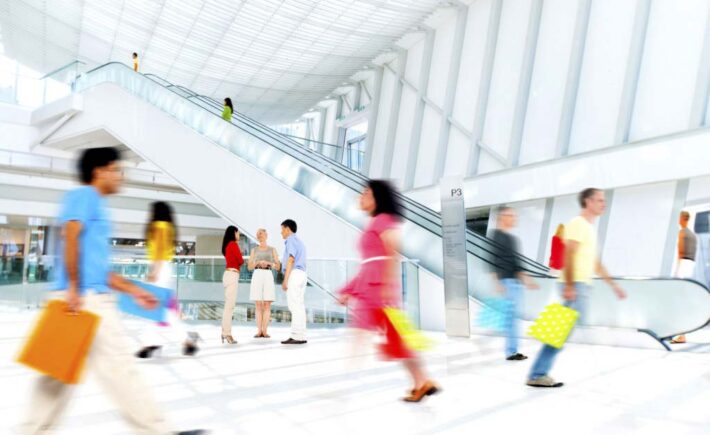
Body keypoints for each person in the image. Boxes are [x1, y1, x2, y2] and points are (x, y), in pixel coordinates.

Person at [19, 147, 203, 435]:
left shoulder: (95, 205)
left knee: (57, 378)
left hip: (82, 296)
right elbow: (70, 235)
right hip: (84, 300)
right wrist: (76, 289)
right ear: (99, 171)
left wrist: (133, 290)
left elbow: (98, 268)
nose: (121, 176)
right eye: (116, 169)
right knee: (116, 370)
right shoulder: (84, 197)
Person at [338, 180, 439, 402]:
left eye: (366, 193)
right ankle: (422, 381)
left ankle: (342, 385)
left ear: (377, 198)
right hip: (373, 287)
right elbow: (370, 264)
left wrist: (386, 285)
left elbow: (393, 250)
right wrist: (349, 290)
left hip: (376, 290)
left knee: (360, 334)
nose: (360, 196)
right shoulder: (376, 221)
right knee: (397, 339)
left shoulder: (381, 220)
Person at [526, 188, 626, 388]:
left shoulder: (588, 228)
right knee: (561, 330)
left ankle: (538, 372)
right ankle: (537, 374)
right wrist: (570, 285)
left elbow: (595, 263)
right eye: (599, 200)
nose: (603, 204)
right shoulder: (577, 224)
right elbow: (568, 255)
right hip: (575, 285)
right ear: (588, 202)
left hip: (580, 285)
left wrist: (613, 285)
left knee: (560, 329)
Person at [135, 201, 199, 359]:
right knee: (160, 309)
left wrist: (154, 272)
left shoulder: (158, 226)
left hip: (159, 268)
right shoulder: (168, 227)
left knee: (153, 307)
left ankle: (153, 343)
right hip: (165, 268)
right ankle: (160, 342)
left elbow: (159, 251)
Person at [491, 206, 539, 361]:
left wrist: (528, 281)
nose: (514, 218)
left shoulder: (512, 239)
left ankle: (513, 350)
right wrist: (496, 282)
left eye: (514, 215)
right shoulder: (495, 236)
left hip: (516, 283)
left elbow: (517, 264)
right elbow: (492, 260)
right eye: (510, 215)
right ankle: (511, 352)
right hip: (506, 282)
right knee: (510, 318)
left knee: (514, 318)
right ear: (501, 217)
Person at [248, 228, 280, 338]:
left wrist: (268, 263)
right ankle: (259, 331)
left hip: (268, 274)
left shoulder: (272, 249)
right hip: (257, 274)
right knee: (258, 304)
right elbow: (249, 267)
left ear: (266, 235)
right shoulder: (254, 250)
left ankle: (265, 331)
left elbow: (278, 266)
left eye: (261, 233)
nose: (259, 235)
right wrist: (257, 262)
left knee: (267, 304)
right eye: (258, 234)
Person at [671, 211, 697, 344]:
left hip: (682, 266)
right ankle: (682, 334)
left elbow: (680, 254)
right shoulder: (693, 235)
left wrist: (674, 271)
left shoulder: (682, 233)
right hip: (689, 268)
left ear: (682, 218)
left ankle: (681, 335)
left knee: (678, 301)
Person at [280, 219, 307, 345]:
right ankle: (301, 335)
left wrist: (285, 280)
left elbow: (291, 259)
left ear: (287, 228)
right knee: (300, 306)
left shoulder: (290, 240)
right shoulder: (300, 242)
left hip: (294, 274)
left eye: (282, 229)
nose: (281, 232)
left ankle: (296, 335)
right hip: (302, 274)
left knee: (294, 306)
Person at [221, 225, 244, 344]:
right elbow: (240, 260)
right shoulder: (233, 244)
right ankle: (227, 333)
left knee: (228, 305)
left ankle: (225, 332)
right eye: (238, 232)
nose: (239, 235)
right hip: (232, 275)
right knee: (229, 307)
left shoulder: (227, 245)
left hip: (228, 274)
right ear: (233, 233)